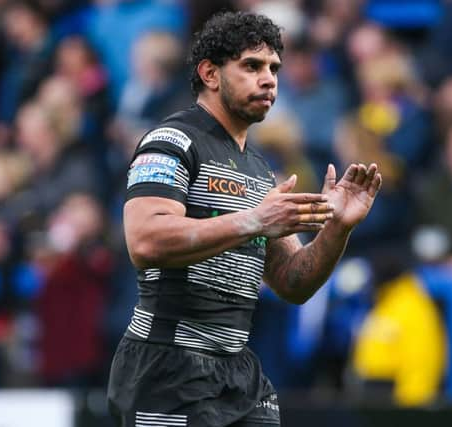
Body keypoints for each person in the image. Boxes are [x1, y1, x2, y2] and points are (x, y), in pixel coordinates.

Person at [107, 11, 382, 427]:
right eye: (251, 66)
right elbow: (145, 241)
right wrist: (253, 221)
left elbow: (293, 281)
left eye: (274, 68)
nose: (268, 79)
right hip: (167, 366)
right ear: (210, 73)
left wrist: (337, 227)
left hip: (236, 370)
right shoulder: (171, 141)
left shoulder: (256, 168)